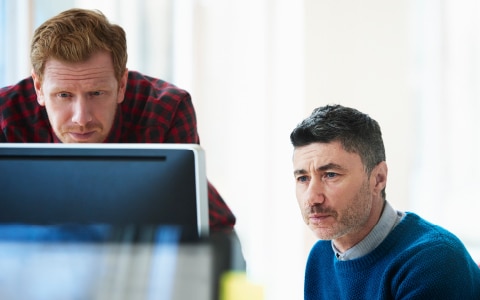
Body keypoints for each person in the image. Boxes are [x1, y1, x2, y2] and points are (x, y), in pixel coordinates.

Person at [0, 8, 235, 233]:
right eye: (63, 95)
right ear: (39, 88)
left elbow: (183, 237)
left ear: (121, 85)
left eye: (97, 93)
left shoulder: (165, 109)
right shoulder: (5, 114)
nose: (81, 119)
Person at [290, 104, 480, 299]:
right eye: (303, 178)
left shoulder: (433, 261)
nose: (312, 198)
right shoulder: (321, 256)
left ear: (378, 178)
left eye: (330, 175)